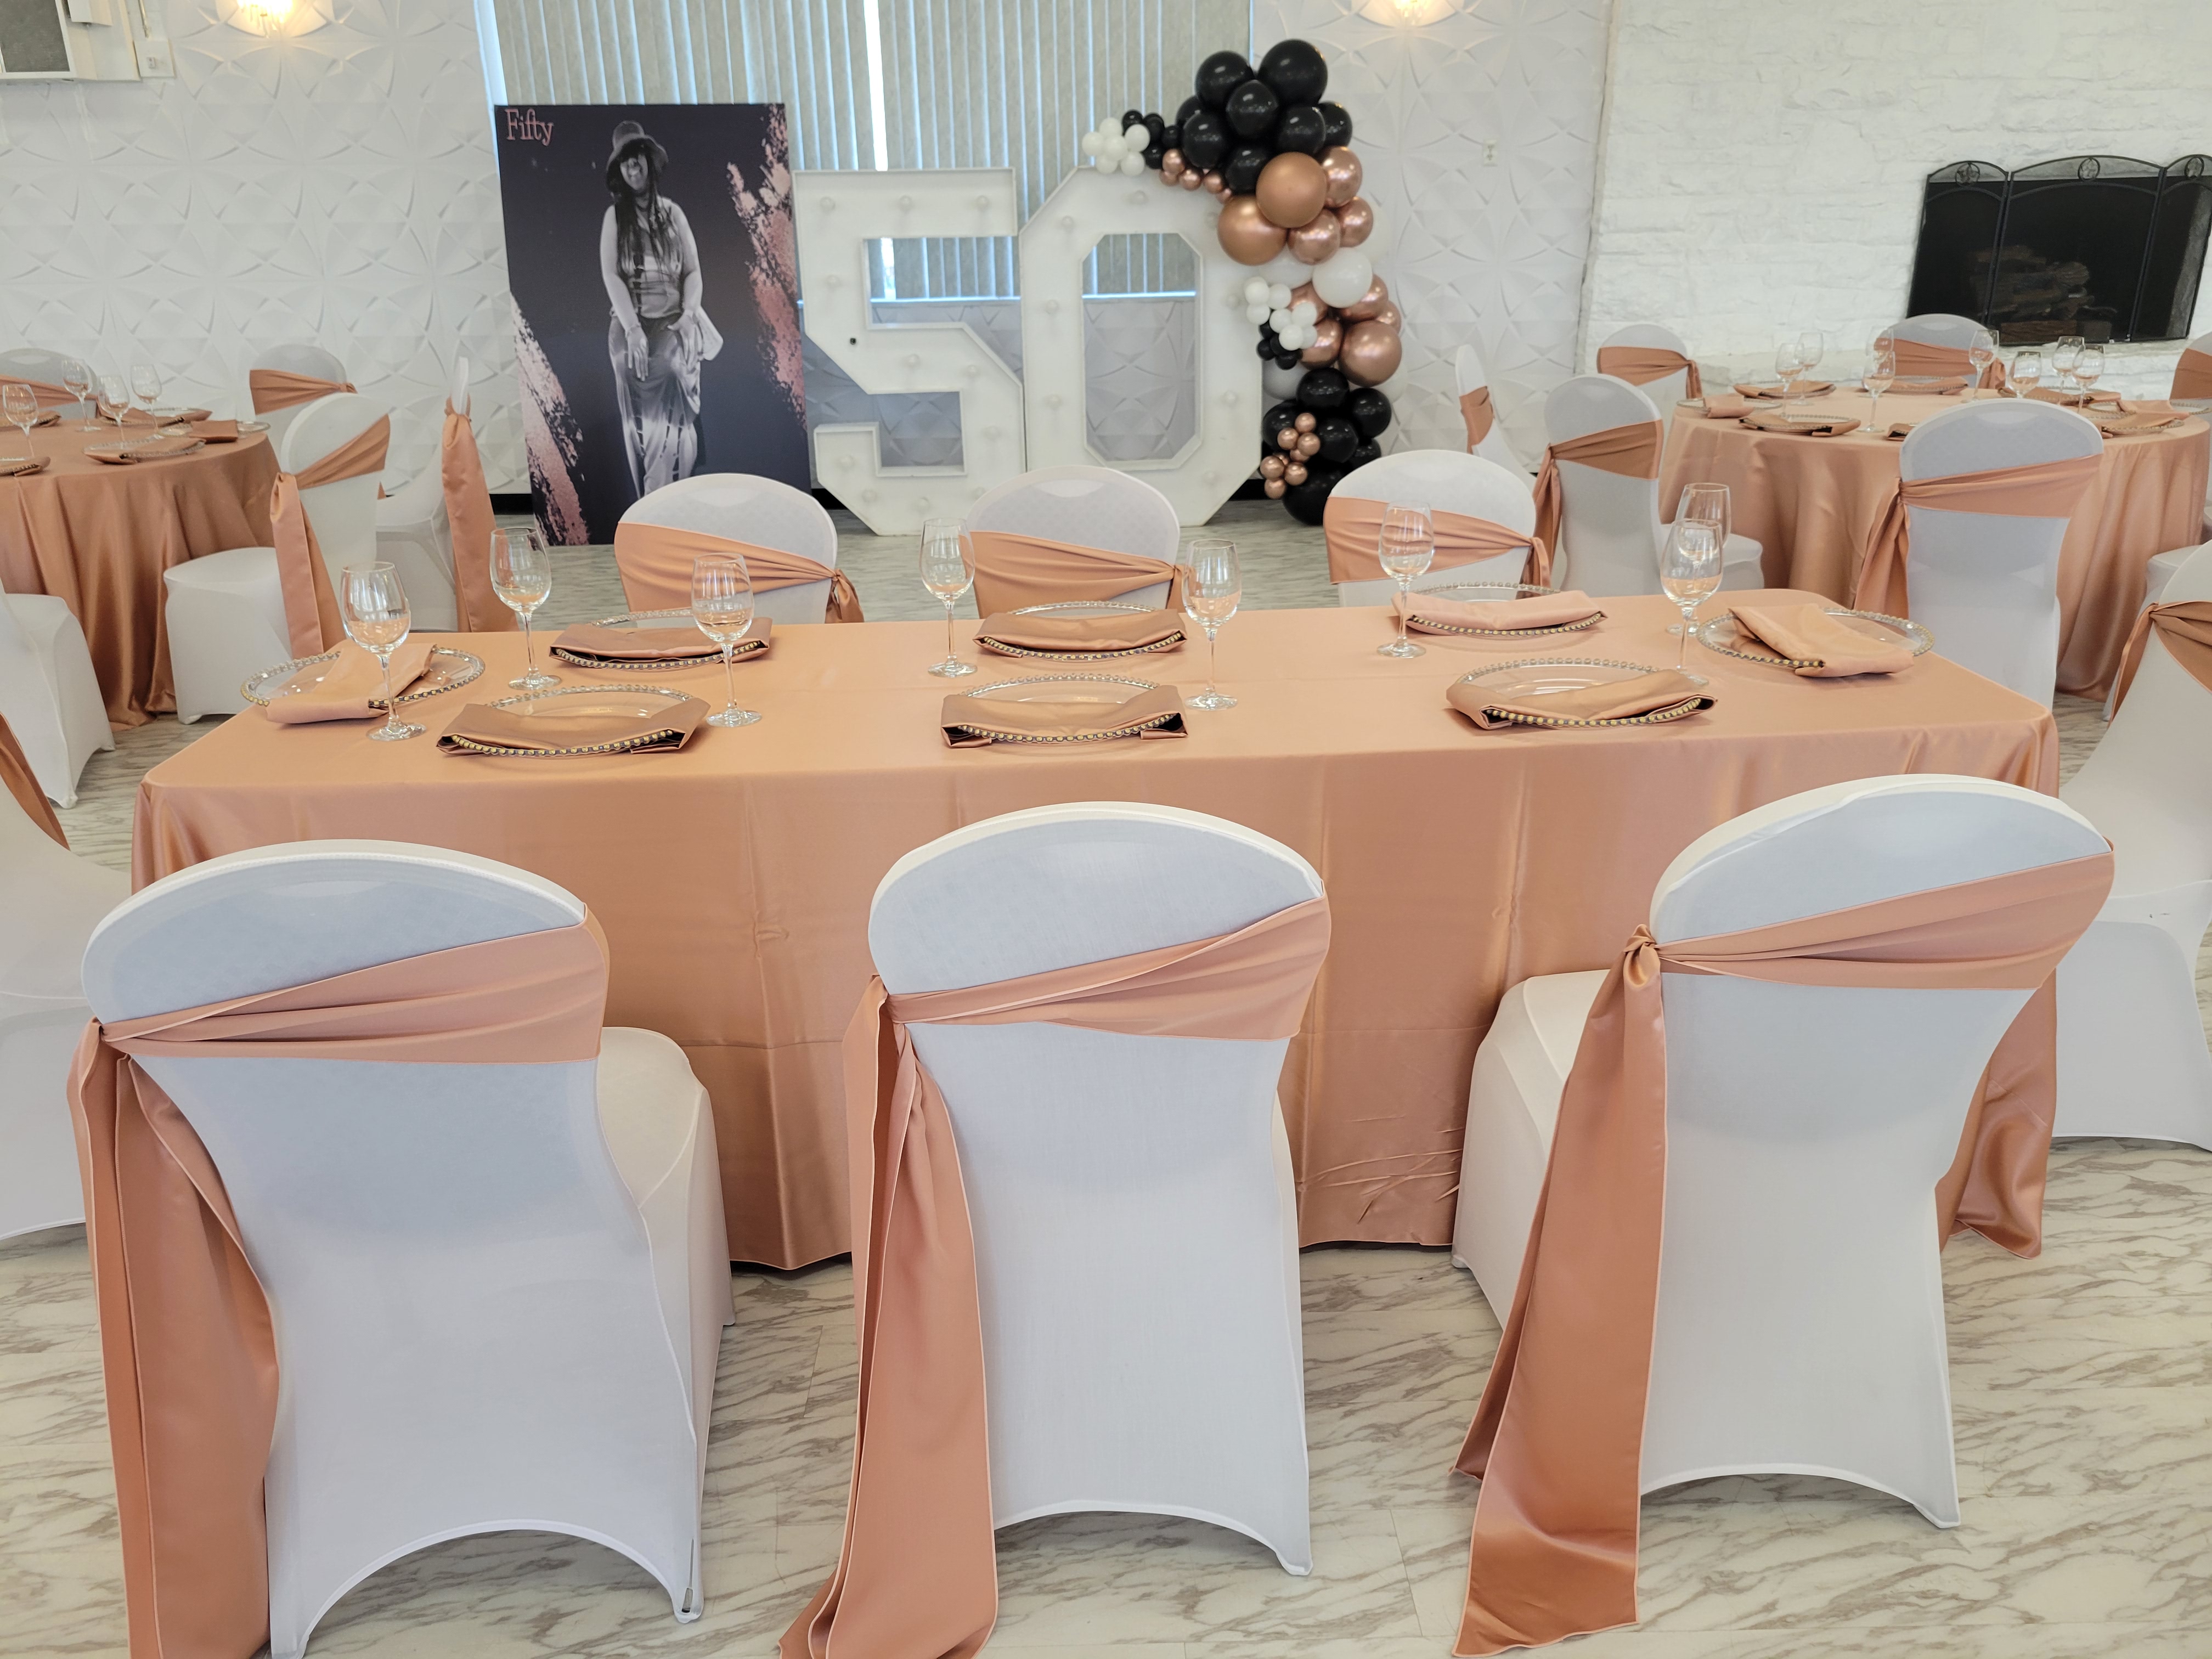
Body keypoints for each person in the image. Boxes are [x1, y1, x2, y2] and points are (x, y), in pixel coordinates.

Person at [600, 120, 722, 495]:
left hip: (673, 319)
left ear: (649, 161)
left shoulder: (674, 213)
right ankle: (648, 491)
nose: (632, 167)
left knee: (670, 369)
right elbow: (611, 275)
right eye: (624, 162)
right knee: (625, 362)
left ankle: (671, 484)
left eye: (636, 157)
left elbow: (693, 271)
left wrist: (689, 316)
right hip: (631, 320)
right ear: (620, 171)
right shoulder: (614, 218)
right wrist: (633, 329)